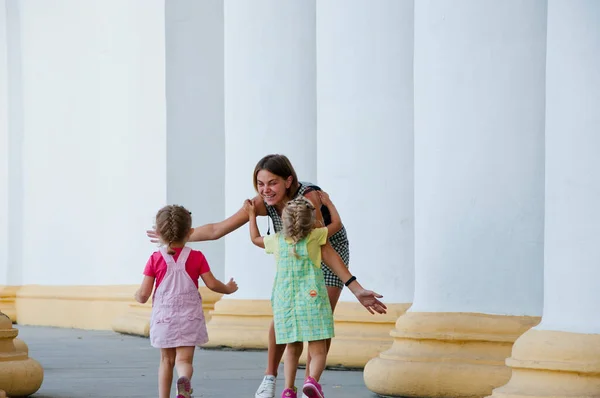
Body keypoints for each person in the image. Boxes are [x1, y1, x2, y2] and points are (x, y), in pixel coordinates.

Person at [146, 154, 387, 398]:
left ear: (288, 180)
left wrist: (356, 288)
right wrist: (175, 235)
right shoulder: (261, 202)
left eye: (272, 183)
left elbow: (323, 245)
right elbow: (217, 229)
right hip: (296, 256)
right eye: (260, 184)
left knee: (317, 323)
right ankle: (270, 378)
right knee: (283, 316)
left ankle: (310, 385)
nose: (265, 190)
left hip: (327, 251)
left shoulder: (308, 198)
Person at [244, 194, 383, 398]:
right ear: (313, 220)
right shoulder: (316, 236)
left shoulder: (276, 240)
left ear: (283, 220)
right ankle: (312, 381)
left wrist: (251, 215)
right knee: (318, 350)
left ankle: (288, 389)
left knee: (292, 348)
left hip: (285, 302)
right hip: (312, 299)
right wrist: (328, 203)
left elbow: (255, 239)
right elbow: (336, 224)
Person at [136, 204, 239, 398]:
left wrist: (137, 296)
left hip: (164, 319)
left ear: (158, 233)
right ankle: (184, 380)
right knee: (184, 361)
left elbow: (143, 294)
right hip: (189, 318)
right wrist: (228, 288)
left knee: (166, 361)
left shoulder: (155, 259)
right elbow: (212, 284)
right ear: (190, 232)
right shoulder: (197, 257)